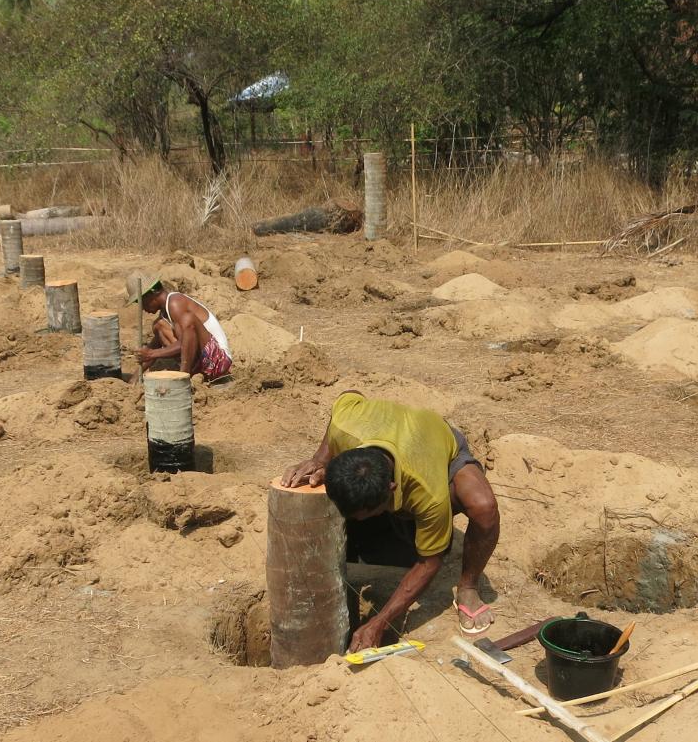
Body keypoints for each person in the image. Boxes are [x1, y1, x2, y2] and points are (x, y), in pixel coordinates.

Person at [281, 391, 500, 652]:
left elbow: (430, 561)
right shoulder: (346, 425)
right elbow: (349, 397)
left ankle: (468, 586)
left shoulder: (428, 492)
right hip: (386, 430)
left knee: (483, 507)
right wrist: (319, 459)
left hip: (434, 442)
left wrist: (380, 622)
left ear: (392, 489)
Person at [128, 273, 233, 381]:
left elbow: (184, 342)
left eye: (141, 302)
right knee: (159, 326)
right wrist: (135, 377)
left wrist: (151, 354)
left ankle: (183, 378)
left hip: (218, 361)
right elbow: (154, 346)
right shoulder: (165, 313)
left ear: (151, 294)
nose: (142, 308)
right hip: (203, 363)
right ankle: (188, 374)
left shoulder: (175, 303)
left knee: (188, 320)